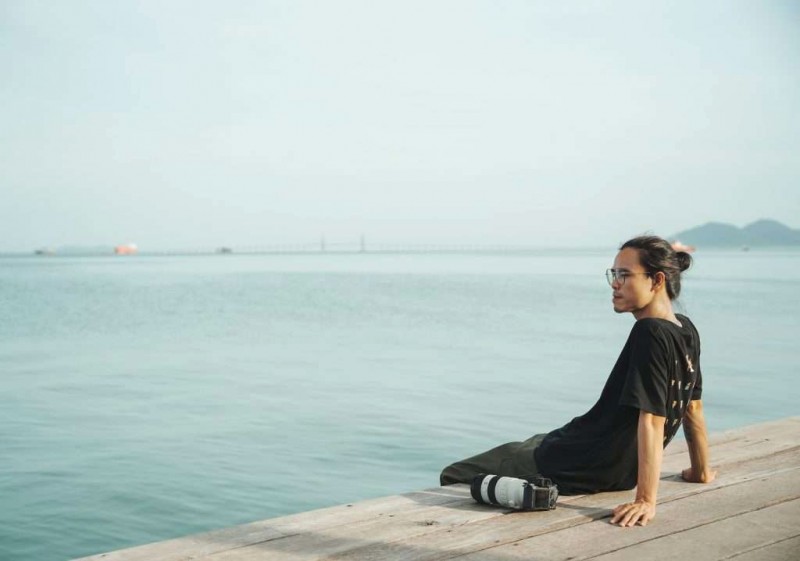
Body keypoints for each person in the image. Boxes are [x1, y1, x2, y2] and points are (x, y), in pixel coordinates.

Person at [440, 235, 717, 527]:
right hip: (616, 469)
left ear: (656, 280)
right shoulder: (686, 329)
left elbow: (652, 419)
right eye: (614, 274)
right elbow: (693, 409)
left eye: (625, 274)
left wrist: (645, 500)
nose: (615, 283)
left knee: (454, 474)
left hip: (576, 463)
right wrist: (701, 471)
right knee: (537, 442)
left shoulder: (649, 332)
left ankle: (529, 494)